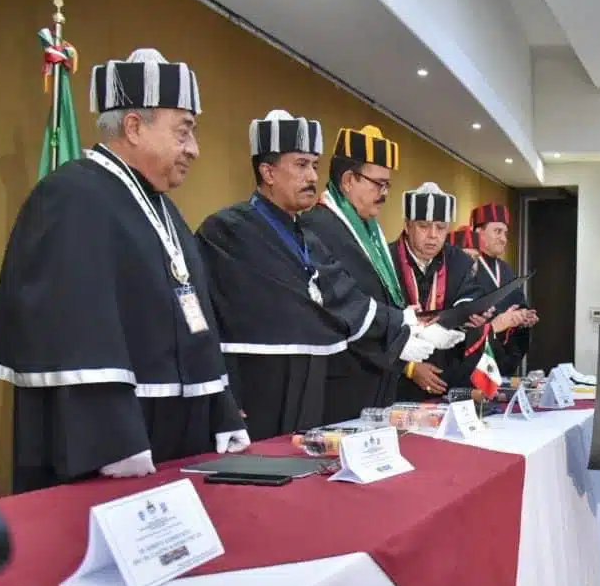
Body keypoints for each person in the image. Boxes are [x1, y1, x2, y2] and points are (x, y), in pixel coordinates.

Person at [0, 48, 249, 492]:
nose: (194, 149)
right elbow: (77, 334)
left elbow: (193, 315)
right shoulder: (70, 197)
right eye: (184, 131)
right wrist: (112, 438)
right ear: (135, 126)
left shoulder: (164, 209)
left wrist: (220, 406)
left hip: (179, 437)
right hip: (116, 447)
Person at [196, 110, 428, 441]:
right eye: (301, 165)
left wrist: (401, 327)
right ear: (268, 171)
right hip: (257, 390)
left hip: (311, 391)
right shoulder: (227, 231)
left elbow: (346, 299)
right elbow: (209, 316)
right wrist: (222, 393)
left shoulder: (307, 238)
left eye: (315, 166)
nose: (312, 177)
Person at [302, 124, 463, 419]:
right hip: (342, 383)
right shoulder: (319, 227)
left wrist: (415, 328)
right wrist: (400, 341)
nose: (385, 193)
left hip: (375, 382)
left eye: (387, 185)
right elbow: (341, 309)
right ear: (349, 180)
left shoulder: (367, 228)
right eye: (379, 184)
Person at [387, 182, 498, 400]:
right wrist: (409, 367)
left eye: (440, 227)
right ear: (408, 225)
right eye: (423, 226)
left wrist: (472, 314)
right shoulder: (386, 260)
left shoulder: (459, 260)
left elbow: (469, 296)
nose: (433, 236)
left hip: (444, 380)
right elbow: (377, 327)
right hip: (394, 379)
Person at [469, 202, 537, 376]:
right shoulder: (468, 266)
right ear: (478, 233)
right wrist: (503, 318)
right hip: (476, 357)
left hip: (504, 357)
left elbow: (519, 302)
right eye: (497, 231)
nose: (504, 239)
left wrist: (525, 316)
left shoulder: (505, 268)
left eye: (505, 233)